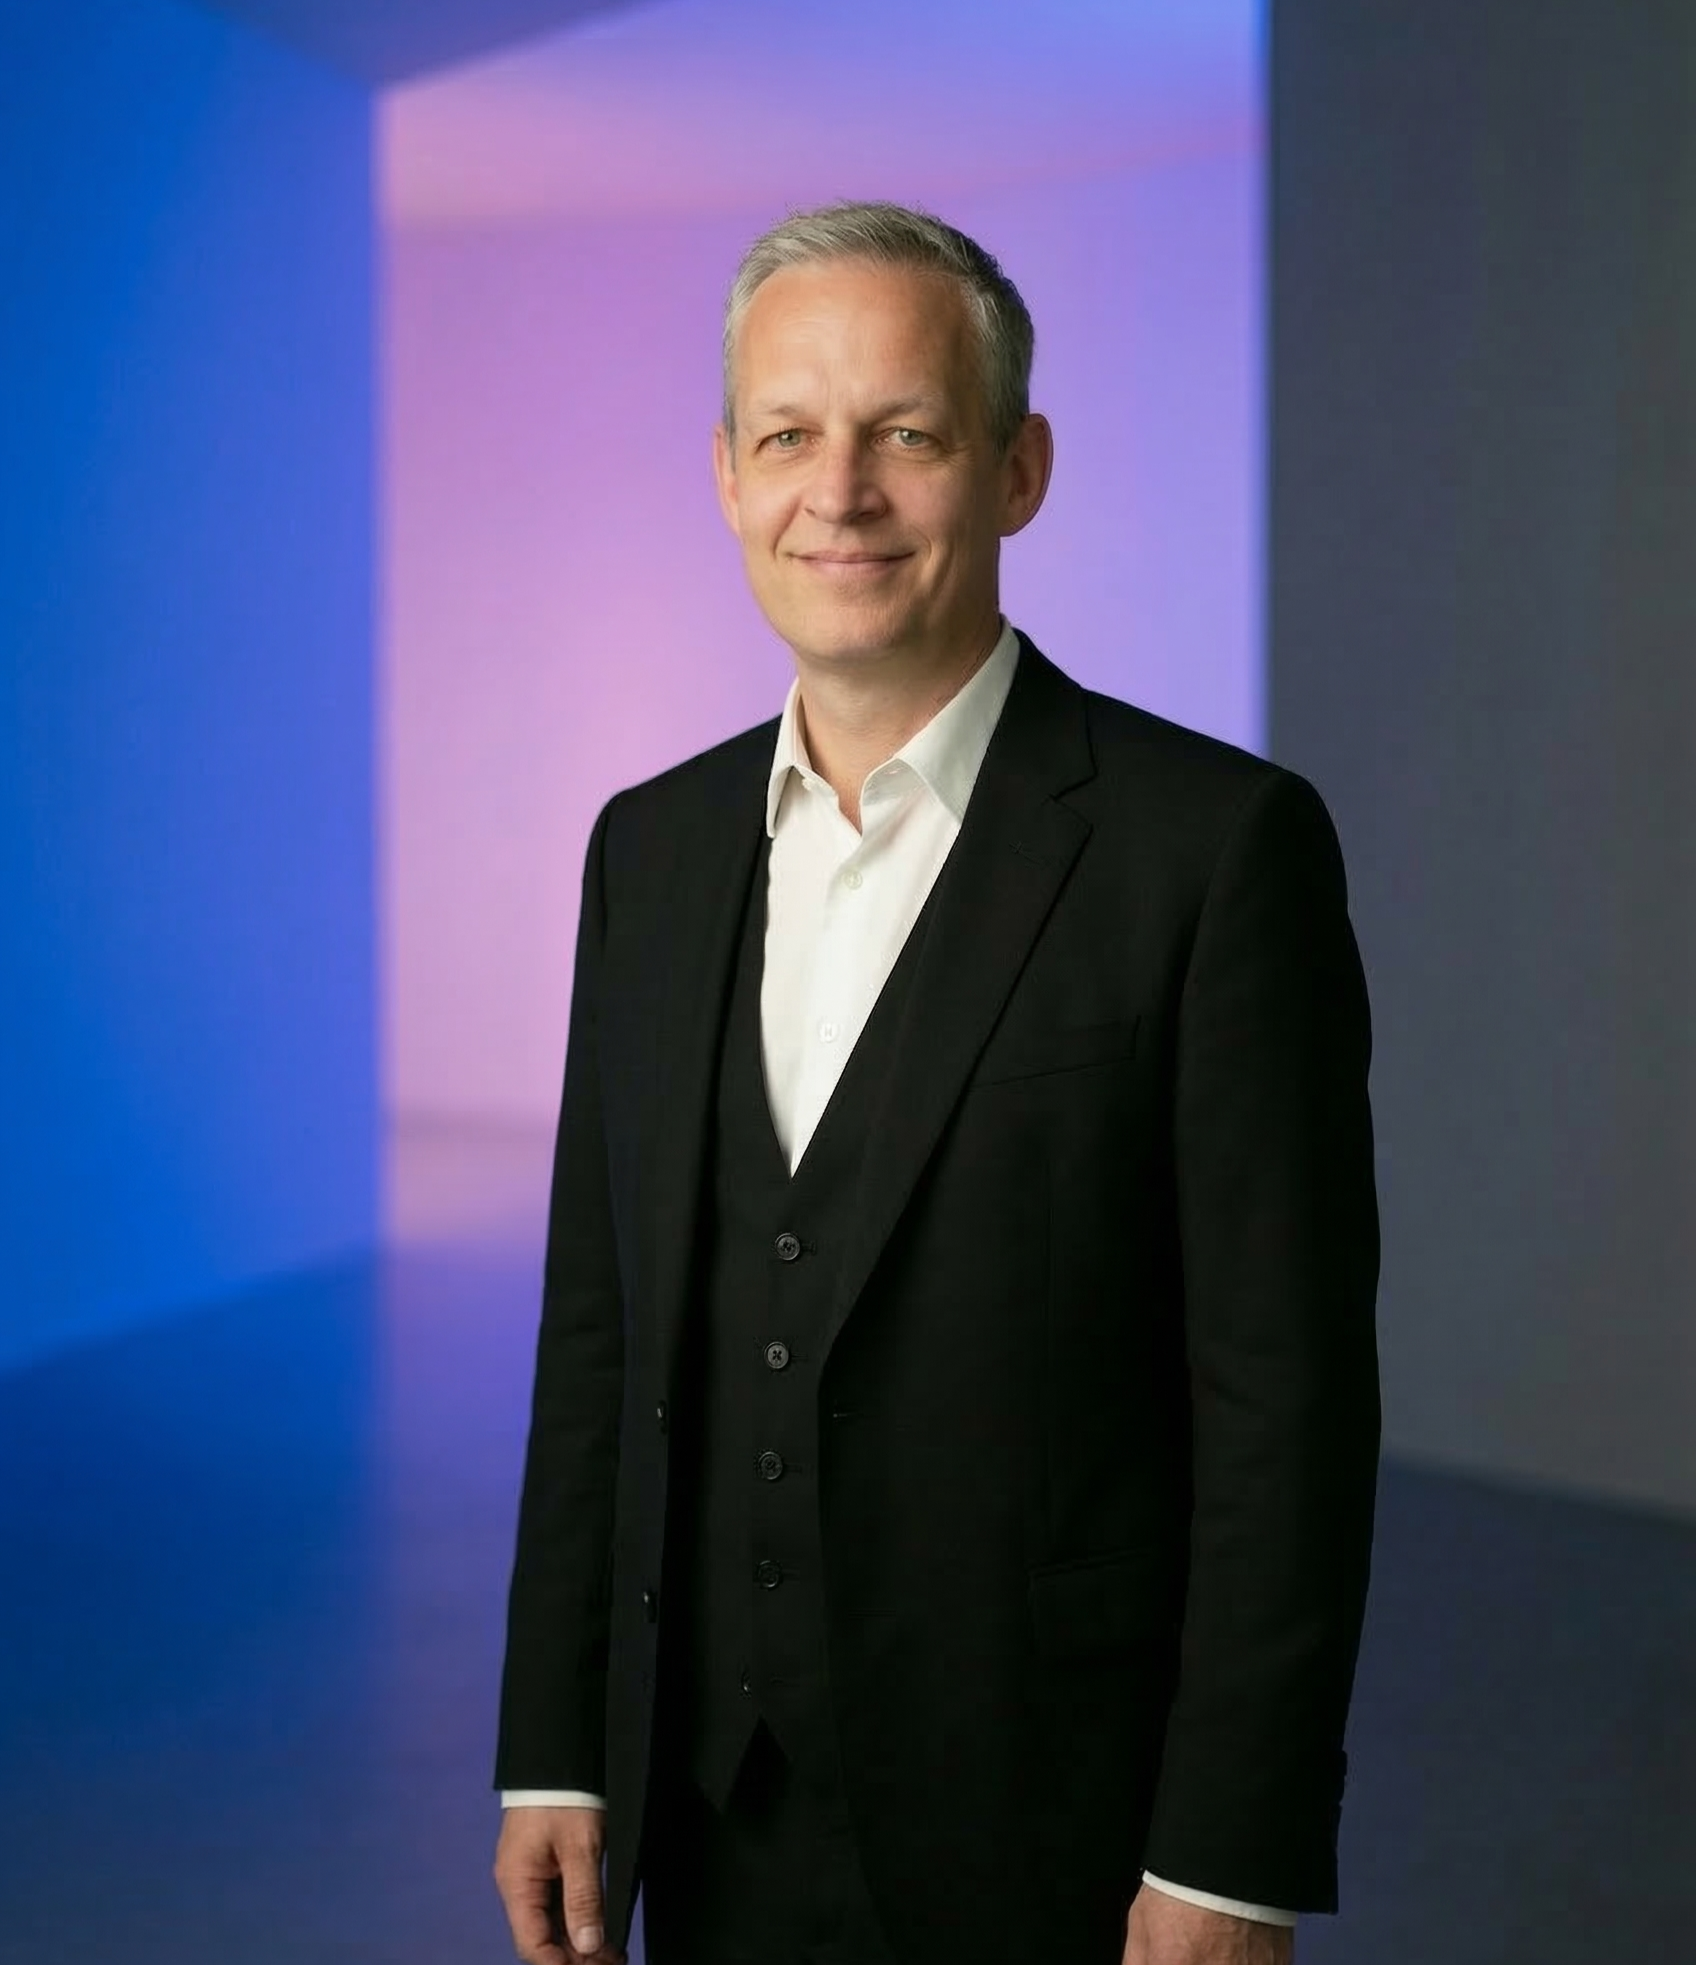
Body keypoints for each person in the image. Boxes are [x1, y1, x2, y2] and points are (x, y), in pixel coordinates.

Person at [491, 201, 1379, 1965]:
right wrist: (556, 1751)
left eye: (906, 431)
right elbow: (597, 1334)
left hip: (1061, 1835)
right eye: (788, 436)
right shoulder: (646, 853)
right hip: (707, 1818)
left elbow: (1286, 1405)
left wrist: (1228, 1858)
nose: (844, 491)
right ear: (729, 476)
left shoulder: (1216, 853)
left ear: (1017, 468)